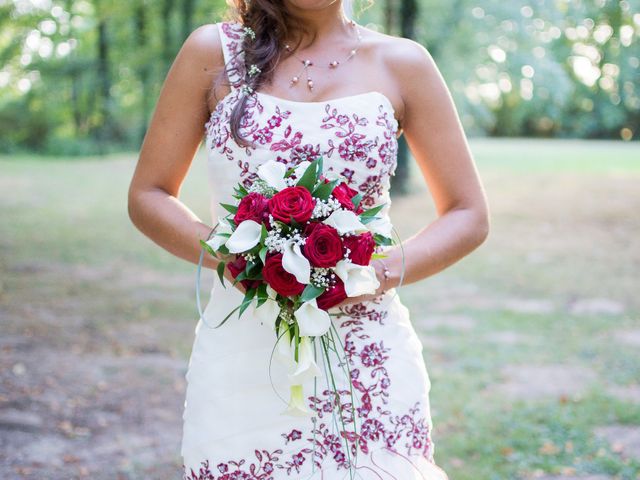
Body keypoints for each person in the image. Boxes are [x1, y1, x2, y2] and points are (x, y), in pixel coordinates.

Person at [128, 1, 489, 478]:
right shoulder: (210, 52)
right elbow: (148, 195)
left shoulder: (404, 63)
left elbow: (468, 213)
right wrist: (230, 255)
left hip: (367, 351)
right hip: (244, 351)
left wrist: (374, 273)